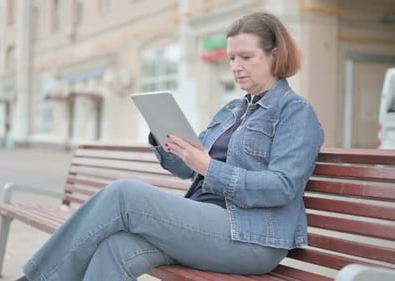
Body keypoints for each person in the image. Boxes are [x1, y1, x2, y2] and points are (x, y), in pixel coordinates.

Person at [16, 12, 324, 281]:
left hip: (252, 236)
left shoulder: (295, 111)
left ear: (274, 55)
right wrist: (165, 138)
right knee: (116, 248)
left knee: (125, 194)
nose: (236, 66)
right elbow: (183, 168)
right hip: (204, 222)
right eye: (231, 58)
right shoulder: (232, 110)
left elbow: (282, 186)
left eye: (246, 57)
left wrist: (210, 168)